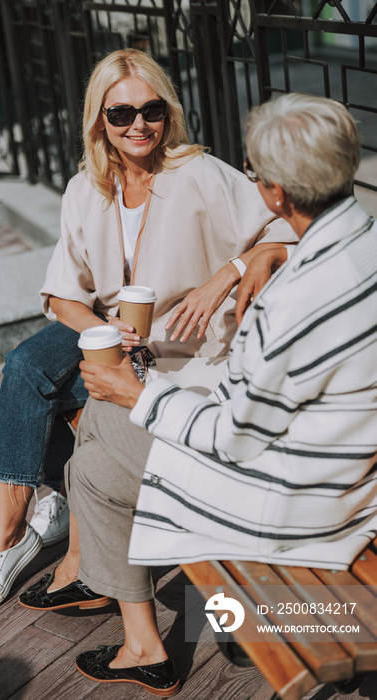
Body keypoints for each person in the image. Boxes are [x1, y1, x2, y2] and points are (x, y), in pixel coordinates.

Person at [60, 94, 377, 695]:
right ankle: (182, 630)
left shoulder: (296, 301)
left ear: (278, 193)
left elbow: (234, 438)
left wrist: (139, 395)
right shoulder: (365, 243)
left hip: (305, 501)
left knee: (97, 446)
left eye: (256, 177)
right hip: (349, 466)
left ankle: (147, 641)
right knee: (101, 438)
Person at [0, 48, 295, 615]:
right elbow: (64, 294)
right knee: (25, 367)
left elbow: (287, 228)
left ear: (167, 113)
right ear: (100, 121)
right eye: (120, 114)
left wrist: (226, 275)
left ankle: (76, 520)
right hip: (113, 334)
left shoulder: (197, 173)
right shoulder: (84, 189)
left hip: (180, 348)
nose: (138, 125)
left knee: (67, 401)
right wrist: (105, 330)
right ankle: (9, 538)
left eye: (151, 110)